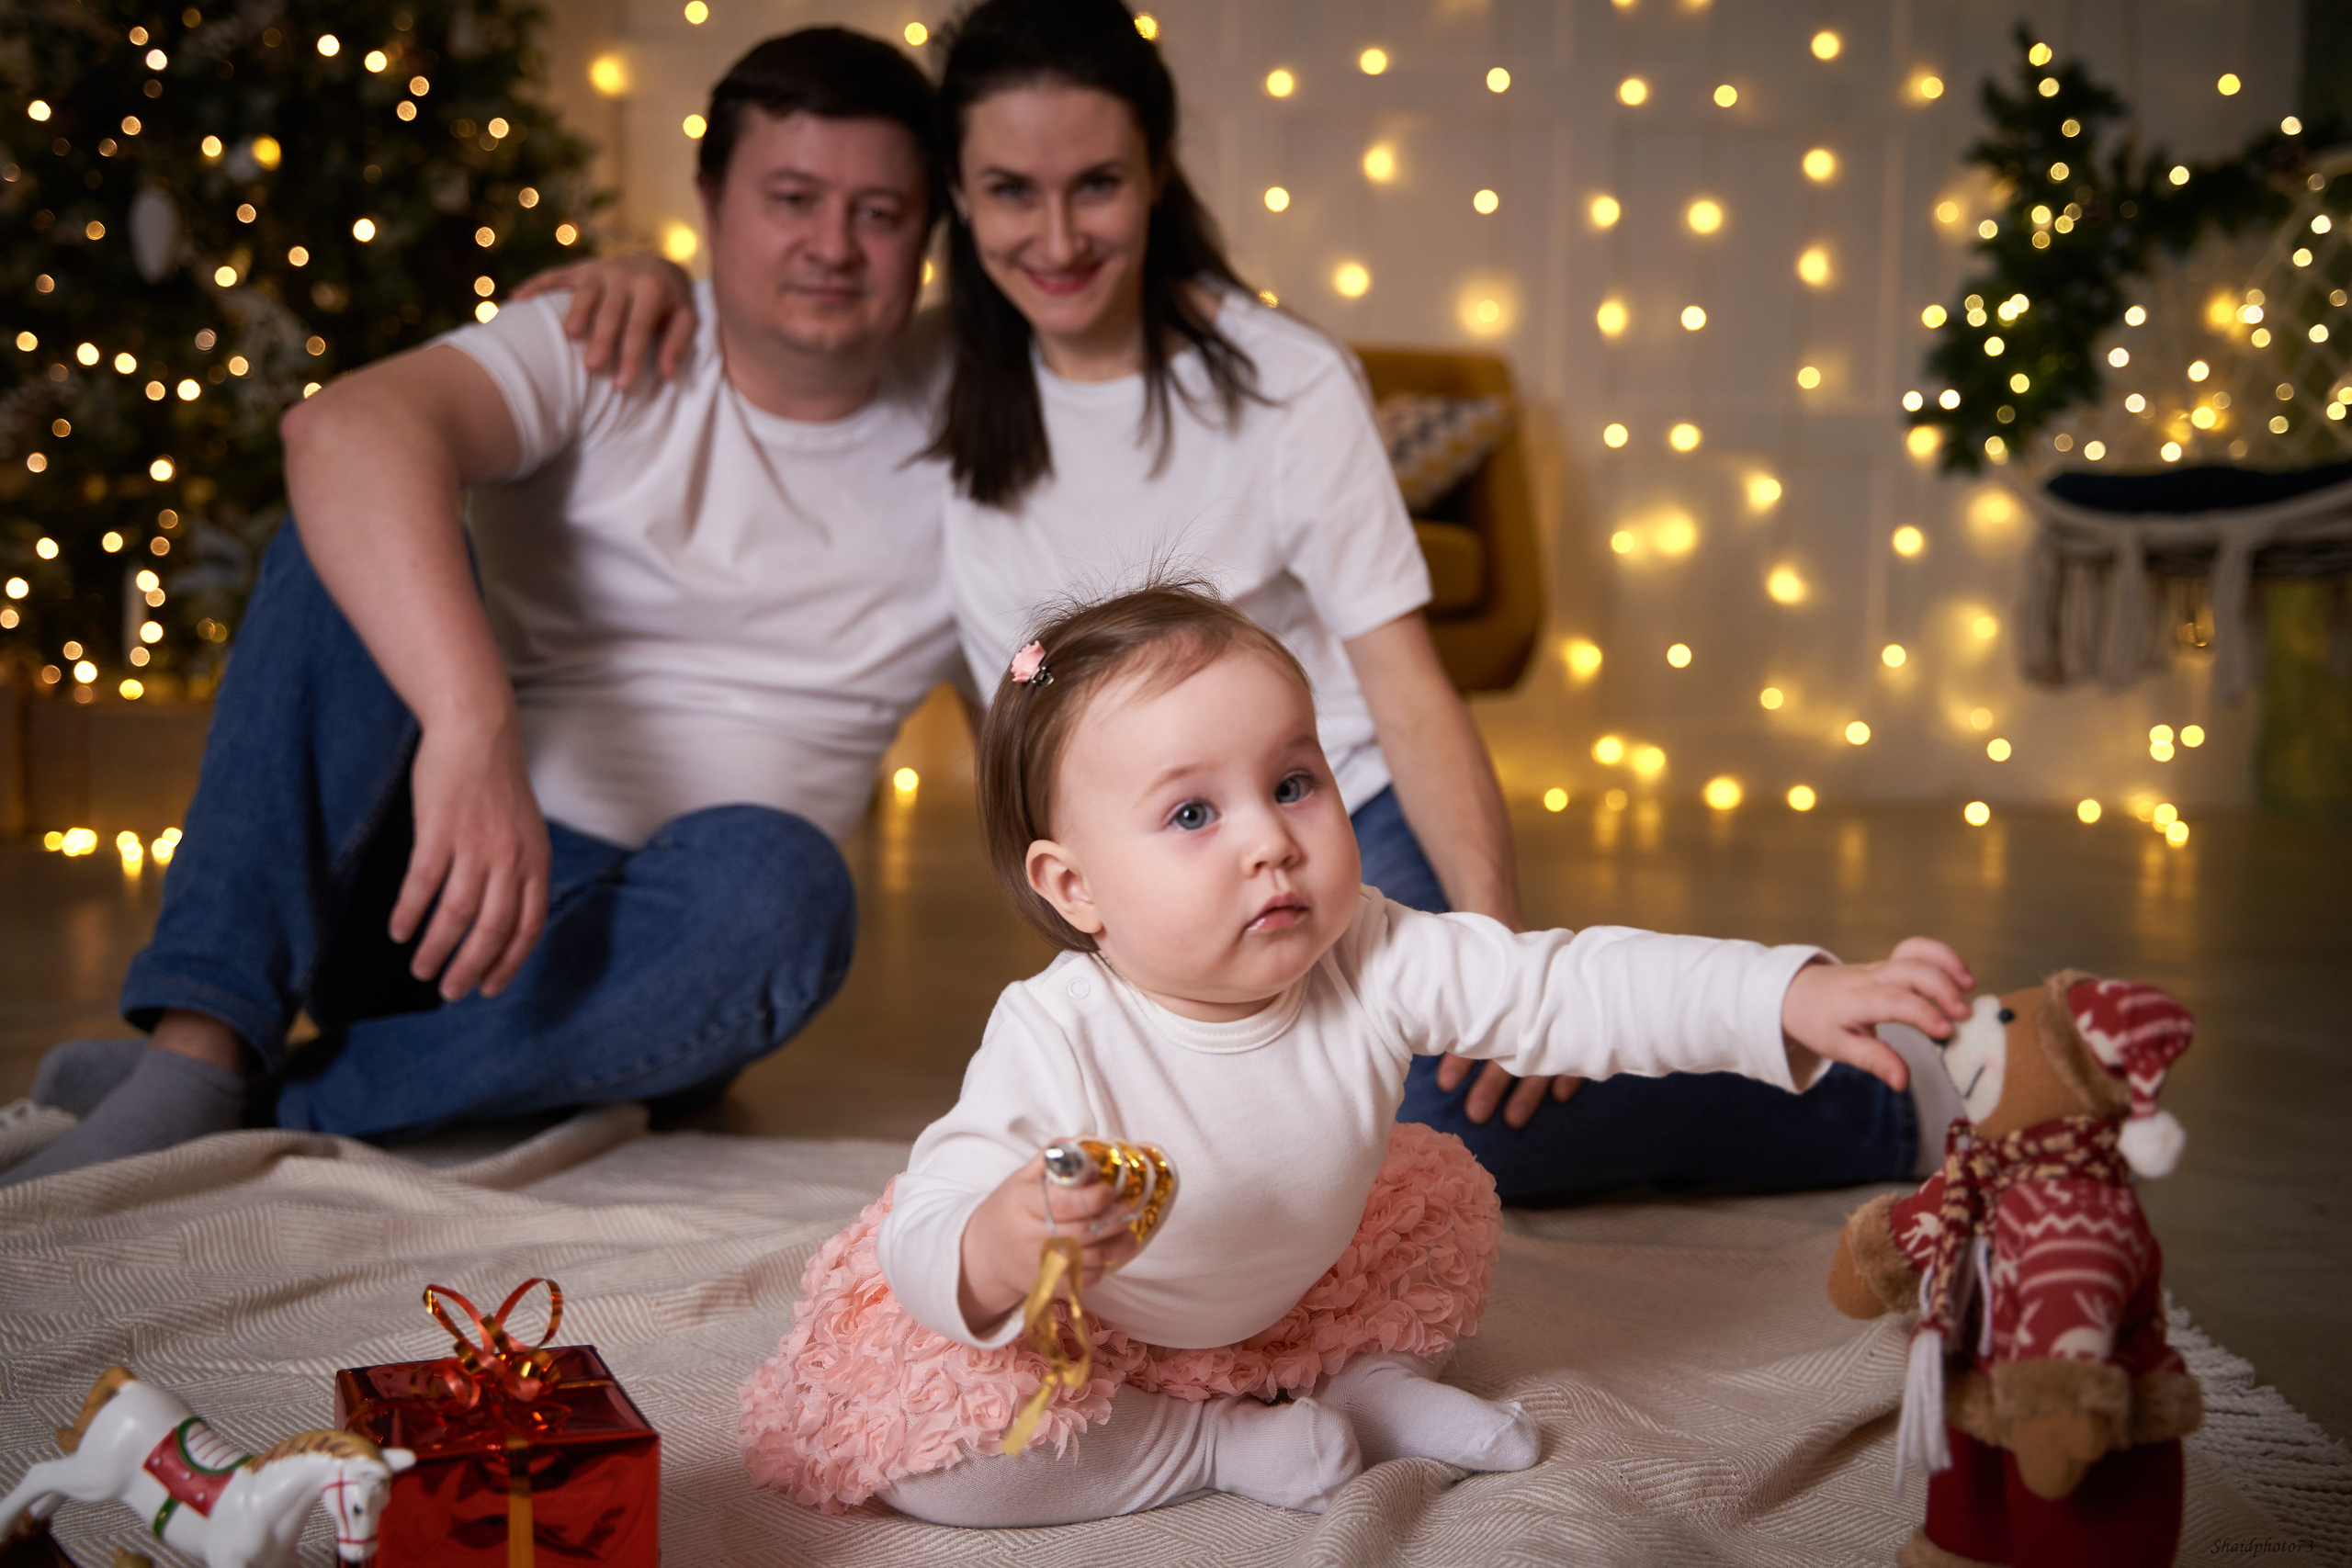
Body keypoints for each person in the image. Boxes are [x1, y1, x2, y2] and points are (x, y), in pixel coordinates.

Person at [534, 0, 1947, 1202]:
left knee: (1433, 1121)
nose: (1056, 234)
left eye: (1096, 183)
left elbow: (1407, 687)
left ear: (1157, 174)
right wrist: (637, 274)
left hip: (1328, 815)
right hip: (1139, 868)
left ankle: (1906, 1088)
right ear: (960, 203)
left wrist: (1493, 956)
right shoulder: (927, 382)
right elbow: (785, 314)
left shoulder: (1281, 382)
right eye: (1009, 193)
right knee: (1209, 1162)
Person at [738, 581, 1978, 1523]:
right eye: (1191, 812)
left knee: (1432, 1203)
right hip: (1098, 1325)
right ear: (1079, 888)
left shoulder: (1370, 947)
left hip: (1287, 1289)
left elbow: (1568, 984)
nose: (1270, 842)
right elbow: (938, 1207)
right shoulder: (1059, 1029)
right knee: (943, 1462)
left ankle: (1372, 1379)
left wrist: (1787, 991)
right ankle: (1210, 1444)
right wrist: (1004, 1239)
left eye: (1294, 780)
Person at [4, 28, 963, 1186]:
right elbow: (345, 429)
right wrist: (472, 727)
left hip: (657, 964)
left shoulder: (985, 425)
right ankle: (200, 1048)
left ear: (928, 234)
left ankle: (254, 1100)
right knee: (341, 536)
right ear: (710, 201)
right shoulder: (611, 334)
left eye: (879, 212)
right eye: (793, 197)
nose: (832, 246)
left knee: (786, 887)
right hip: (430, 871)